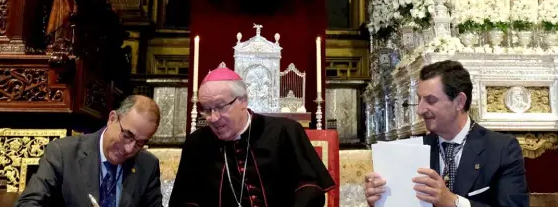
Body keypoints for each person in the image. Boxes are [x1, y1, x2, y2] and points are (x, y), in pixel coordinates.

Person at [364, 60, 529, 207]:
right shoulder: (411, 151)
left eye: (431, 100)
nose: (420, 110)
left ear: (459, 102)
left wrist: (453, 202)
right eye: (419, 99)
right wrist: (381, 201)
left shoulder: (501, 149)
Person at [168, 67, 335, 207]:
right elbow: (185, 200)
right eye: (206, 109)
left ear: (243, 101)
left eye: (220, 107)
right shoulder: (196, 143)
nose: (213, 118)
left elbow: (310, 187)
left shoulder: (285, 131)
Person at [15, 95, 163, 207]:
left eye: (140, 143)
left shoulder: (147, 165)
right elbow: (28, 203)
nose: (129, 149)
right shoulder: (63, 153)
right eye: (127, 135)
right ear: (112, 119)